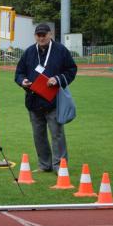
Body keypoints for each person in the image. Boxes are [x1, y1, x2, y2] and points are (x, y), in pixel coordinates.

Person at [14, 23, 77, 173]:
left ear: (50, 35)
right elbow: (19, 73)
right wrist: (22, 81)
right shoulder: (29, 52)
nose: (41, 38)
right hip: (33, 101)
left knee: (57, 134)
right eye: (38, 35)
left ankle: (60, 166)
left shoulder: (61, 50)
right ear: (35, 36)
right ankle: (44, 164)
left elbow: (72, 69)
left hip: (53, 100)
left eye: (44, 35)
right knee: (38, 135)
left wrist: (58, 79)